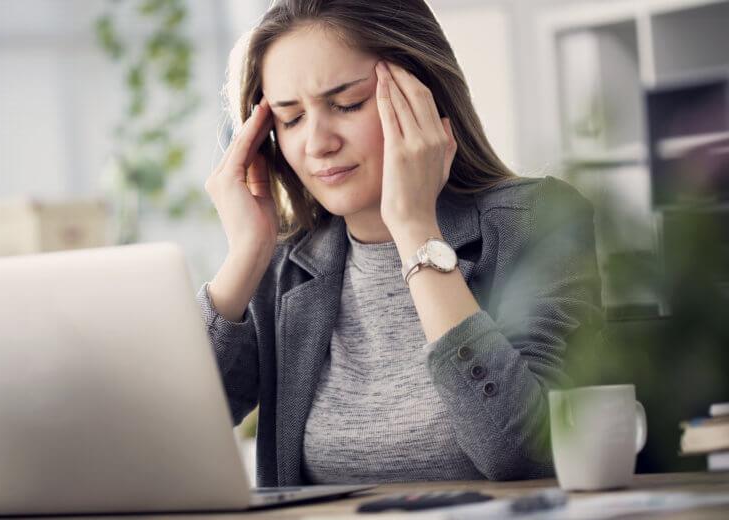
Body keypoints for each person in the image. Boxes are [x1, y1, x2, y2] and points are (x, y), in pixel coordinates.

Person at [198, 0, 603, 486]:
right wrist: (246, 253)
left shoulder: (536, 221)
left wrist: (416, 229)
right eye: (290, 118)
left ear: (424, 97)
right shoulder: (284, 265)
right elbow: (168, 438)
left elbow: (525, 454)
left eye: (347, 104)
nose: (317, 142)